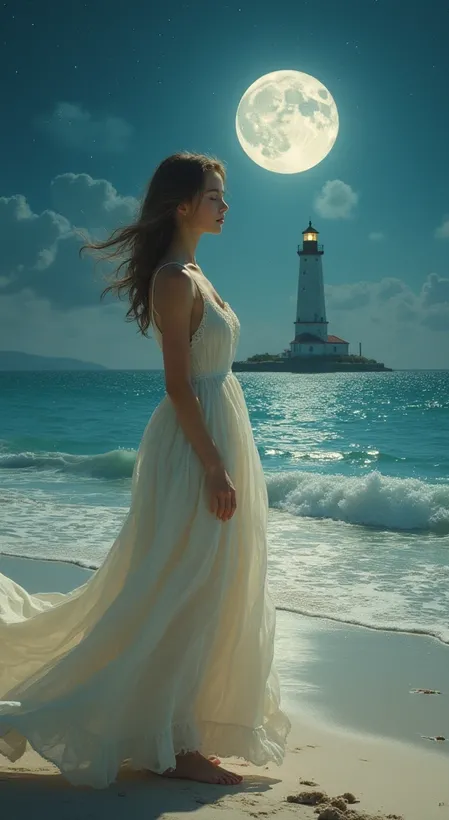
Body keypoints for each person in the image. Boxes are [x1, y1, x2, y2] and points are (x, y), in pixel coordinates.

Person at [0, 152, 291, 789]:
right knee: (183, 585)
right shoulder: (172, 279)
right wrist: (213, 466)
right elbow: (179, 386)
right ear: (182, 205)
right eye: (214, 194)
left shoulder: (197, 273)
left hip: (219, 431)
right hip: (194, 445)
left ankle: (181, 727)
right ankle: (176, 744)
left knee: (208, 584)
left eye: (223, 193)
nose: (225, 204)